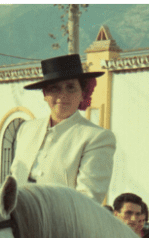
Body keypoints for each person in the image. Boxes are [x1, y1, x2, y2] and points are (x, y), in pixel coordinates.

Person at [10, 54, 116, 204]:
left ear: (82, 94)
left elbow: (88, 199)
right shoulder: (26, 129)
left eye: (71, 87)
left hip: (63, 225)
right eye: (54, 88)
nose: (62, 95)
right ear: (45, 94)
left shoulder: (96, 137)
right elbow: (14, 181)